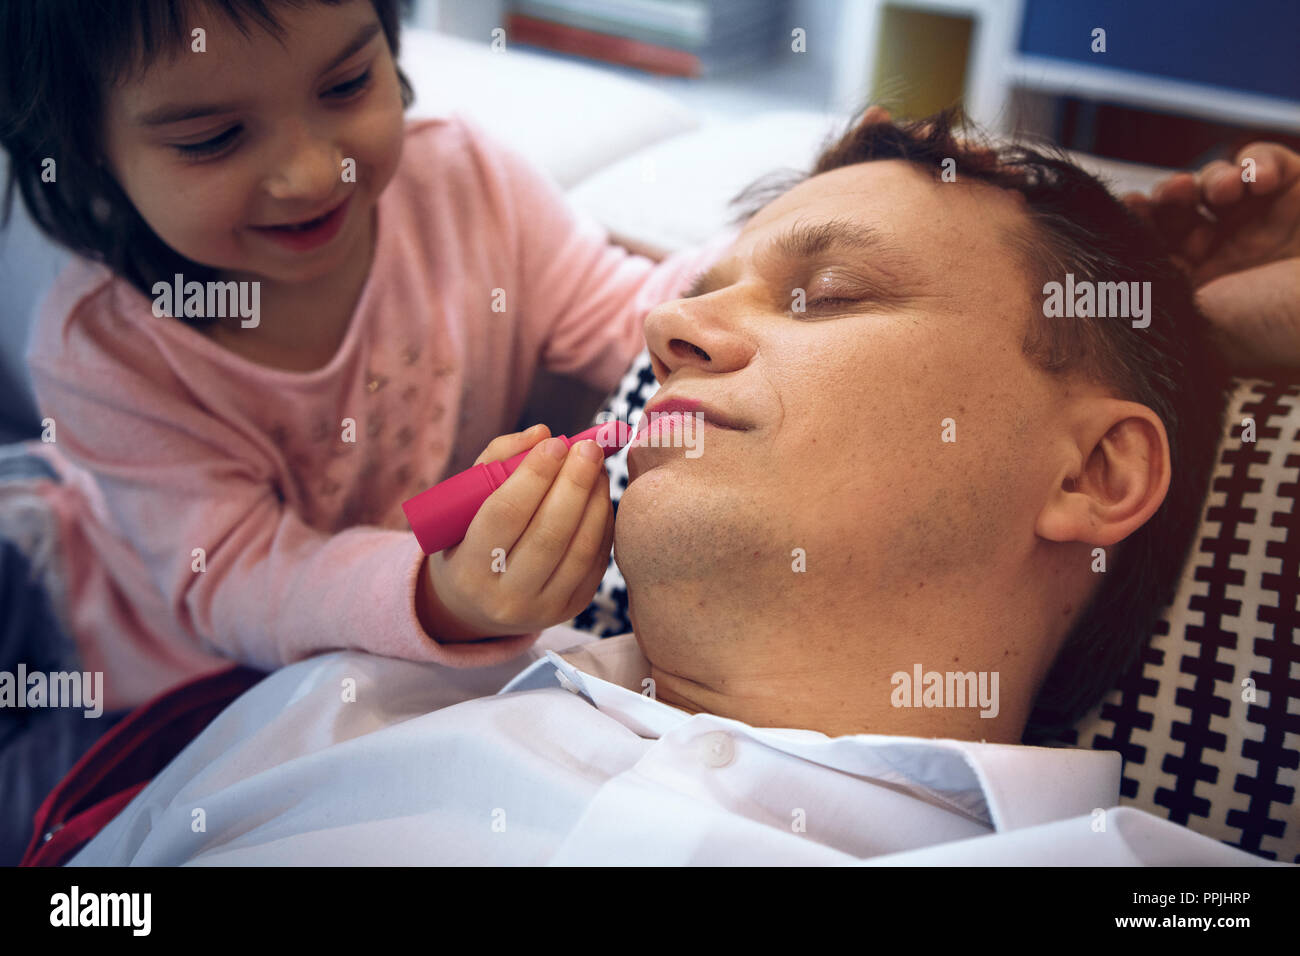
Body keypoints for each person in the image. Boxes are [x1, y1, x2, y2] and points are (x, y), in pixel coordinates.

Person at [68, 112, 1300, 866]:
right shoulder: (339, 700)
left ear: (1090, 469)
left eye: (827, 292)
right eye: (703, 289)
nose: (662, 325)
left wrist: (1182, 319)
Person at [0, 0, 715, 864]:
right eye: (211, 139)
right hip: (128, 661)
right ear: (84, 150)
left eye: (346, 84)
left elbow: (625, 309)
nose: (309, 170)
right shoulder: (100, 349)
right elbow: (238, 575)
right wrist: (438, 598)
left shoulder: (466, 182)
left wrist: (792, 257)